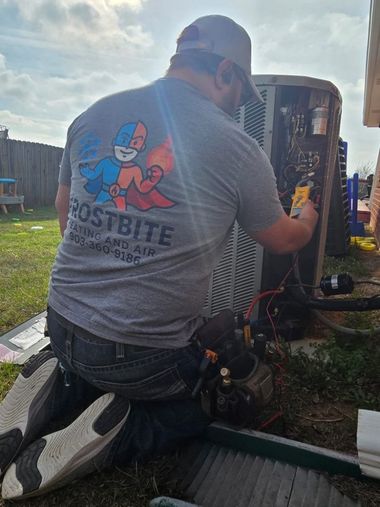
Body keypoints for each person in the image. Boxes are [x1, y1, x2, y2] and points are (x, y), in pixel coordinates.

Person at [0, 14, 318, 500]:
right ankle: (117, 432)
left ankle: (61, 382)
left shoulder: (92, 114)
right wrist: (308, 216)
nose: (237, 107)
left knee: (85, 361)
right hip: (143, 357)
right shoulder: (237, 146)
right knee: (207, 402)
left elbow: (65, 212)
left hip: (61, 322)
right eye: (238, 94)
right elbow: (282, 240)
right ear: (225, 71)